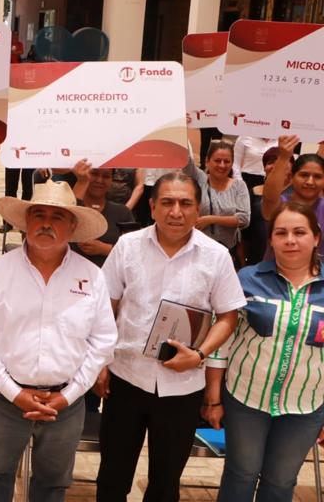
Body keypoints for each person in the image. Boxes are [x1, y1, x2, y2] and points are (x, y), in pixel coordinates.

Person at [95, 171, 245, 502]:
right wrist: (100, 362)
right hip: (126, 378)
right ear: (152, 207)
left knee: (165, 485)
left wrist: (200, 354)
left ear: (197, 209)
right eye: (167, 202)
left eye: (185, 203)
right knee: (112, 478)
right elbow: (106, 307)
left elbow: (228, 316)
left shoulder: (216, 255)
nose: (176, 212)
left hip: (183, 386)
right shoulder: (128, 246)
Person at [0, 180, 117, 502]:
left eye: (57, 217)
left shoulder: (92, 277)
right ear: (26, 222)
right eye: (39, 215)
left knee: (53, 486)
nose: (46, 223)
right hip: (5, 401)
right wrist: (14, 392)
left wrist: (69, 395)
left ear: (72, 227)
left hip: (66, 403)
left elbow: (103, 341)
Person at [202, 201, 324, 501]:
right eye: (281, 233)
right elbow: (222, 342)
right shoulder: (247, 279)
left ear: (316, 237)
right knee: (241, 473)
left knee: (281, 481)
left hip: (306, 405)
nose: (290, 240)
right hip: (246, 399)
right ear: (271, 239)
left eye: (299, 232)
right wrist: (213, 398)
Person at [186, 140, 250, 266]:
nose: (222, 165)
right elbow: (185, 160)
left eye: (227, 161)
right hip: (198, 251)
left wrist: (211, 219)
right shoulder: (199, 179)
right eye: (217, 160)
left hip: (228, 252)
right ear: (207, 161)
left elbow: (244, 219)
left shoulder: (239, 186)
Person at [262, 135, 324, 259]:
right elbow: (269, 198)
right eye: (304, 175)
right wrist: (284, 157)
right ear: (291, 177)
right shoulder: (280, 205)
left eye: (317, 177)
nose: (310, 182)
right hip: (275, 270)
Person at [70, 160, 137, 267]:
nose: (99, 180)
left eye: (106, 176)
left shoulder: (122, 212)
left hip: (110, 275)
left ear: (111, 180)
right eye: (94, 174)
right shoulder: (73, 208)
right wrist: (81, 182)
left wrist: (104, 249)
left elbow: (134, 250)